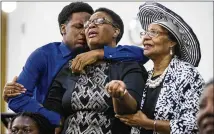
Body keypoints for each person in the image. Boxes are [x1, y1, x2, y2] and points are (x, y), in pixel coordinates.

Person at [3, 2, 148, 127]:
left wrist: (99, 53)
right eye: (79, 26)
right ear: (63, 29)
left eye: (88, 25)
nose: (84, 31)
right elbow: (16, 98)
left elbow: (142, 54)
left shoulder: (95, 53)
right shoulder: (43, 55)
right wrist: (54, 119)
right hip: (50, 124)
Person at [43, 7, 148, 134]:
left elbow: (132, 107)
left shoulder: (129, 65)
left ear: (116, 31)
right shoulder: (73, 64)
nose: (91, 25)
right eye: (88, 23)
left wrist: (120, 95)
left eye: (99, 21)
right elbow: (53, 102)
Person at [109, 2, 205, 134]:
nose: (145, 37)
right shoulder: (146, 76)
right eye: (145, 33)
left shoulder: (187, 74)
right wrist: (119, 94)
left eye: (154, 33)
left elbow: (194, 125)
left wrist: (147, 123)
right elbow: (126, 114)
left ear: (172, 42)